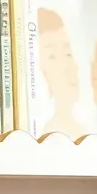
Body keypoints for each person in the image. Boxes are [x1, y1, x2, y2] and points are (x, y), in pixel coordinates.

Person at [37, 8, 88, 138]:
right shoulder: (47, 135)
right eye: (52, 57)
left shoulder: (82, 132)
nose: (66, 67)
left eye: (68, 53)